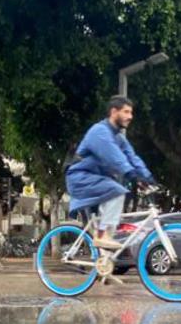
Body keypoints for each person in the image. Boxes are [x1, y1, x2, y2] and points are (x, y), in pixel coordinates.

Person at [65, 96, 155, 249]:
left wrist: (148, 177)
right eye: (126, 112)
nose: (130, 117)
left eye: (131, 113)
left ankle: (104, 262)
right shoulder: (99, 131)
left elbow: (132, 157)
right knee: (117, 191)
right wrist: (132, 175)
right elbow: (115, 157)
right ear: (114, 112)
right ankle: (102, 235)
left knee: (110, 226)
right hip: (80, 178)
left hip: (94, 180)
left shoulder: (118, 137)